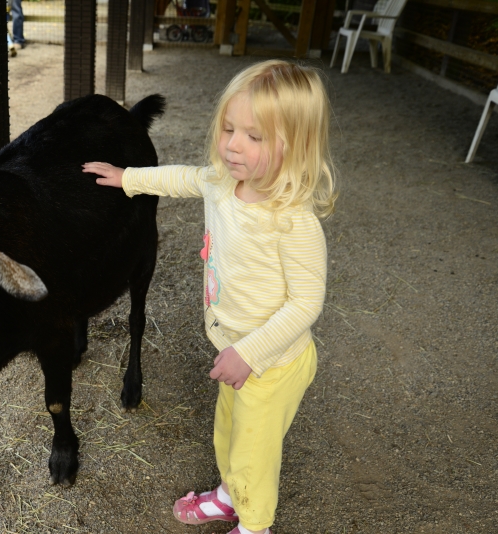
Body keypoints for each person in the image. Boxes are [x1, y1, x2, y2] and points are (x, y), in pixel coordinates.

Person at [82, 59, 337, 534]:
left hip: (271, 364)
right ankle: (228, 496)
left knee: (254, 454)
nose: (233, 145)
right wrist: (129, 178)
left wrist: (250, 354)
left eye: (254, 136)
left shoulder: (292, 221)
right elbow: (181, 178)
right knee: (229, 433)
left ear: (295, 145)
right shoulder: (223, 182)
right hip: (234, 350)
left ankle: (254, 525)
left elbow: (306, 303)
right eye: (228, 128)